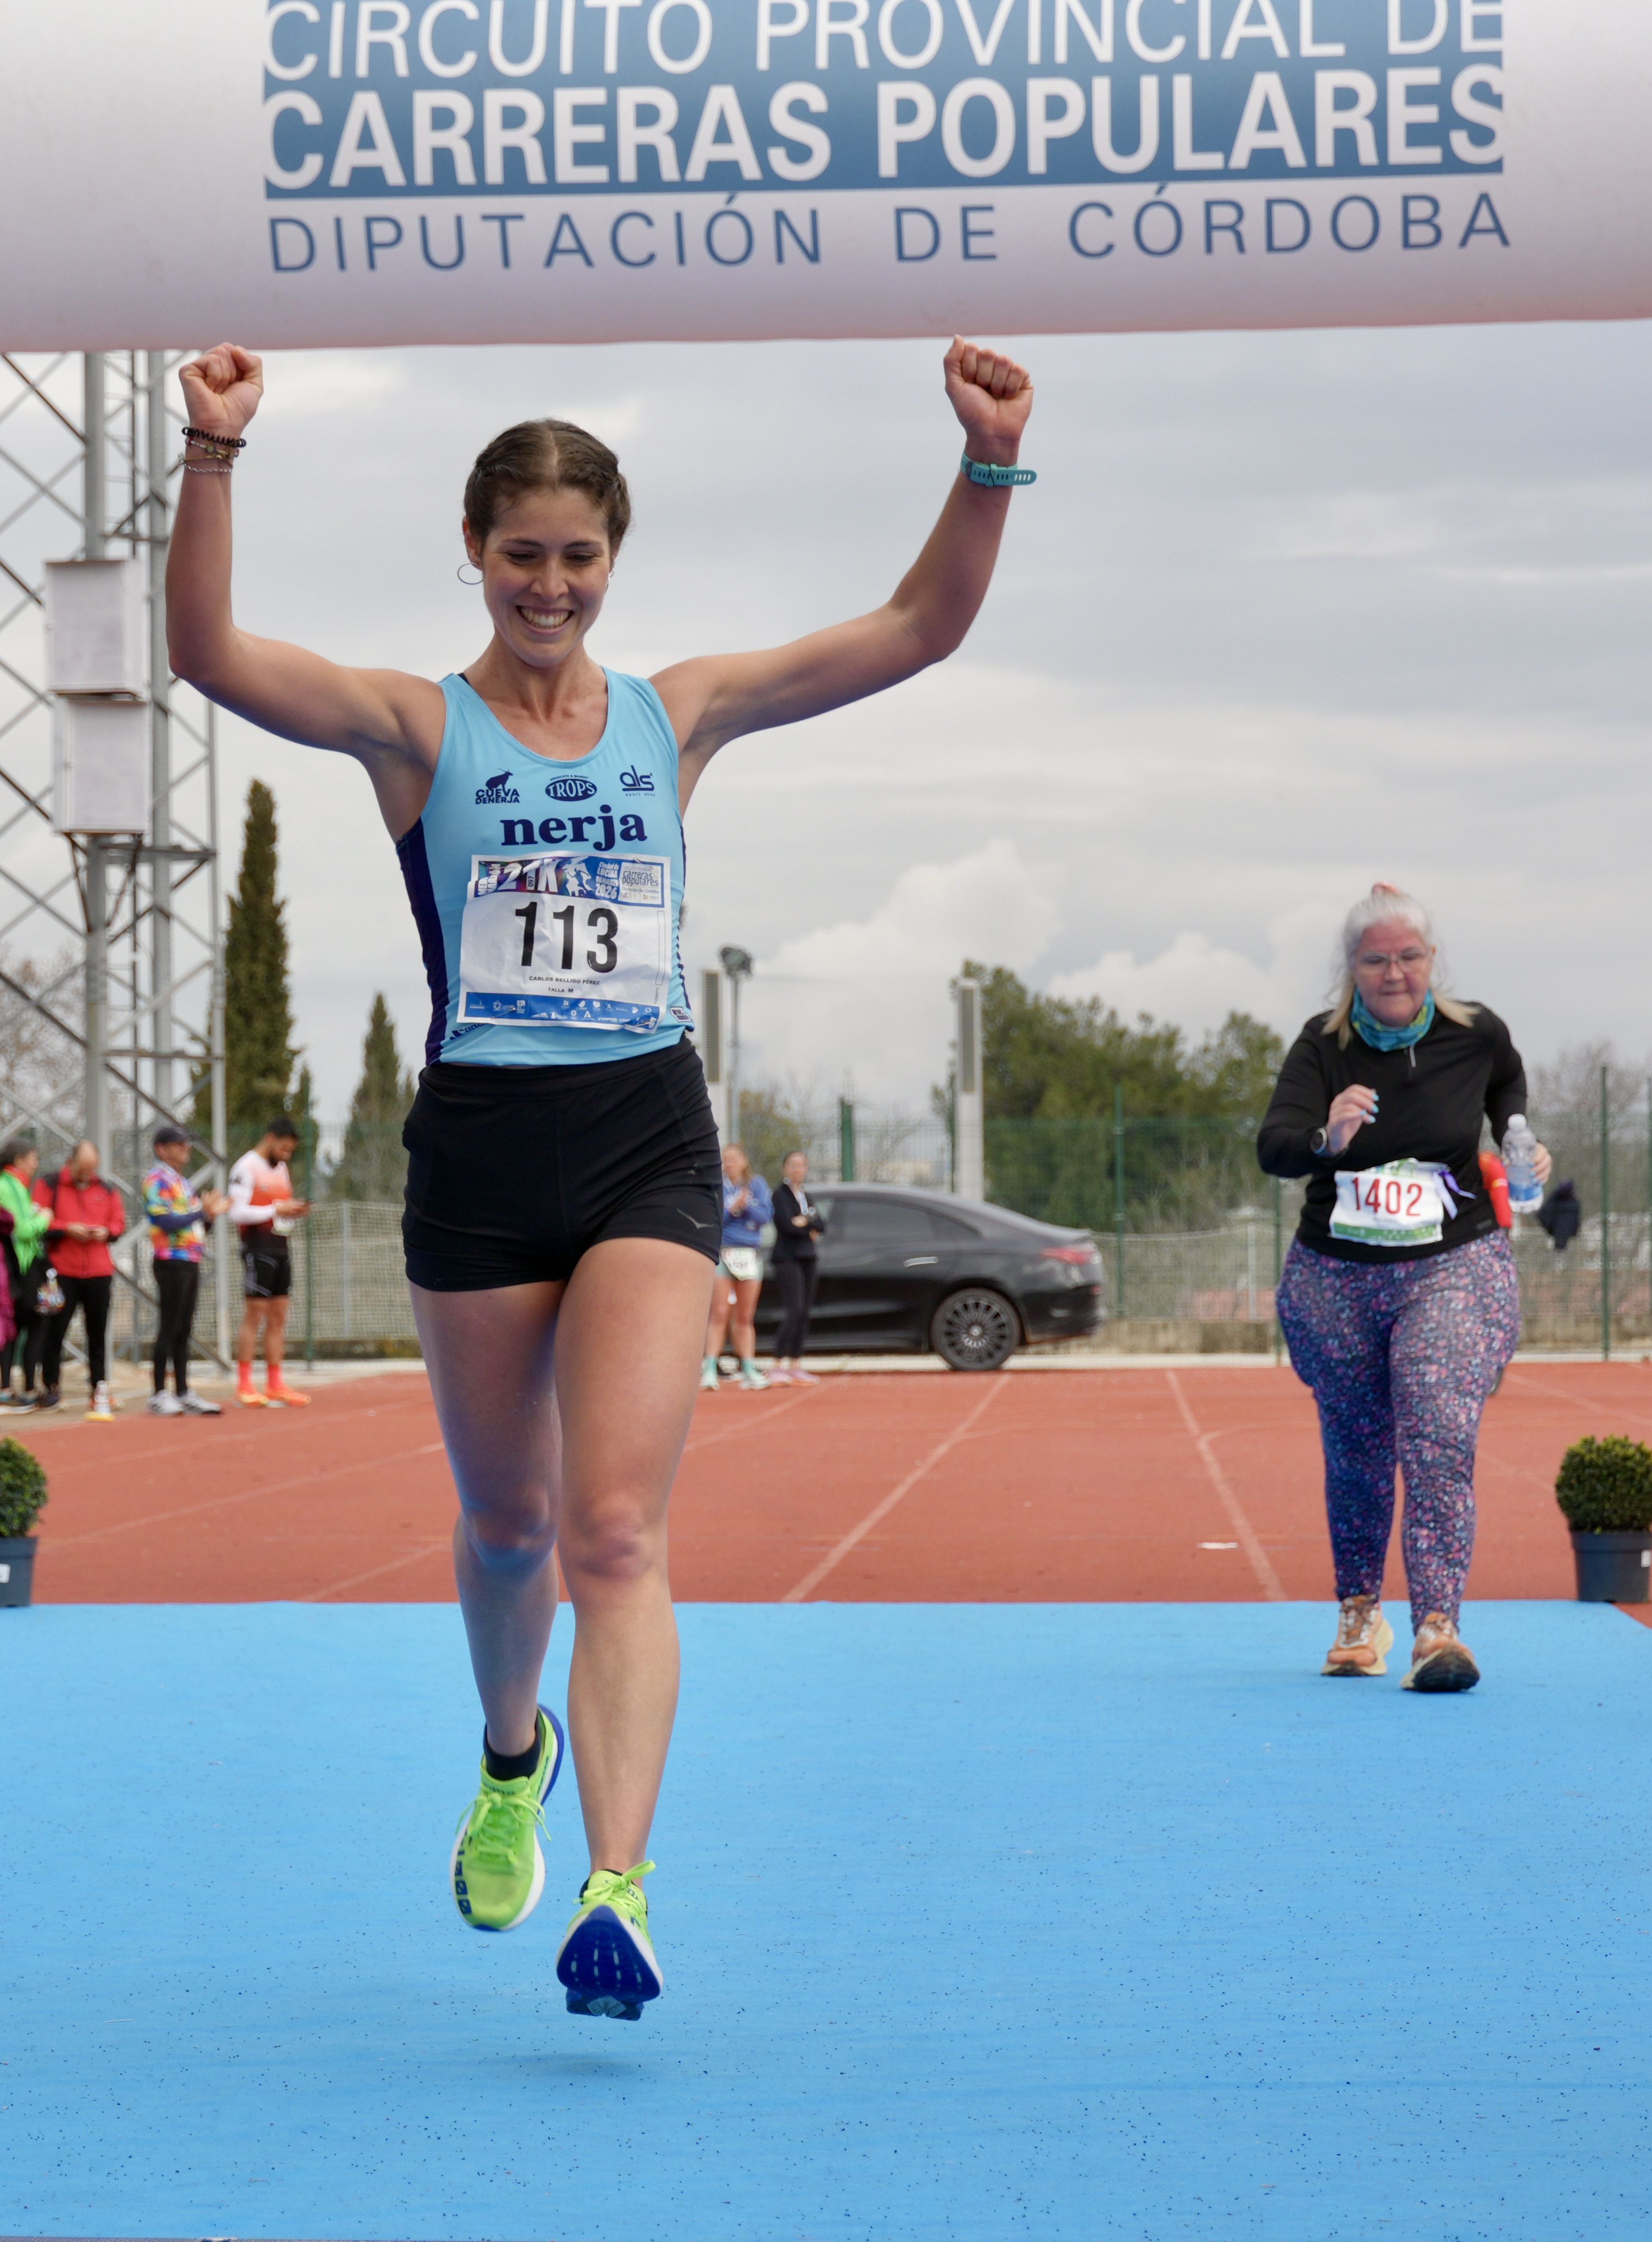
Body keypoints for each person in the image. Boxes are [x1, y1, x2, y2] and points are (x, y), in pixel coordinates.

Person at [168, 333, 1034, 2019]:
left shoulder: (674, 713)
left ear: (612, 562)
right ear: (476, 556)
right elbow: (203, 652)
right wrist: (215, 456)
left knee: (616, 1524)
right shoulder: (417, 728)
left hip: (644, 1126)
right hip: (481, 1148)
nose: (550, 585)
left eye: (578, 556)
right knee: (509, 1526)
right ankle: (512, 1754)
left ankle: (619, 1885)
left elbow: (917, 628)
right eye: (521, 555)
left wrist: (989, 462)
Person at [1255, 884, 1547, 1696]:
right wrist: (1327, 1136)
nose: (1394, 973)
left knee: (1436, 1422)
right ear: (1352, 969)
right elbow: (1273, 1146)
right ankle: (1360, 1611)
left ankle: (1437, 1627)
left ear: (1432, 961)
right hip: (1337, 1275)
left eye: (1409, 957)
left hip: (1451, 1263)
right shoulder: (1322, 1048)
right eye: (1376, 959)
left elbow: (1508, 1084)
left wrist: (1519, 1138)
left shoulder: (1474, 1033)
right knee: (1357, 1449)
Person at [35, 1138, 128, 1420]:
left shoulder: (108, 1188)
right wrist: (66, 1229)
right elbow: (38, 1221)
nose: (87, 1175)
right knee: (54, 1331)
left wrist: (106, 1232)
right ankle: (51, 1386)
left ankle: (99, 1387)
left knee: (97, 1333)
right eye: (83, 1169)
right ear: (71, 1162)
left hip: (99, 1271)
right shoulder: (49, 1185)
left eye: (92, 1170)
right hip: (62, 1270)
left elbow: (119, 1224)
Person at [142, 1120, 223, 1416]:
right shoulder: (157, 1180)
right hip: (170, 1260)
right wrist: (201, 1212)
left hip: (190, 1258)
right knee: (169, 1326)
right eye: (179, 1144)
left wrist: (209, 1215)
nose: (186, 1148)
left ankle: (183, 1391)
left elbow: (196, 1225)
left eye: (187, 1143)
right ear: (161, 1150)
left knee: (184, 1327)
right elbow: (164, 1221)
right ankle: (159, 1393)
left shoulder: (181, 1181)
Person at [226, 1116, 309, 1407]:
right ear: (271, 1139)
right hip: (256, 1248)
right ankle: (245, 1383)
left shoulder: (282, 1169)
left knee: (279, 1316)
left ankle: (276, 1383)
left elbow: (277, 1208)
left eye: (290, 1152)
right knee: (255, 1315)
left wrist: (292, 1212)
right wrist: (277, 1208)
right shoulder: (245, 1167)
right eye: (284, 1149)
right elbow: (237, 1213)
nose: (286, 1156)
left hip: (281, 1247)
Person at [0, 1136, 53, 1409]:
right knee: (32, 1325)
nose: (36, 1164)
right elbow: (22, 1230)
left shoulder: (17, 1186)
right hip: (19, 1268)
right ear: (19, 1160)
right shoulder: (8, 1185)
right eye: (33, 1158)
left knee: (24, 1326)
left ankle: (16, 1387)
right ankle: (22, 1388)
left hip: (23, 1267)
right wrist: (44, 1218)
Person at [704, 1142, 772, 1393]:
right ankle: (710, 1369)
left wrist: (747, 1206)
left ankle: (749, 1369)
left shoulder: (757, 1185)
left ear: (744, 1161)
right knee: (719, 1312)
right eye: (726, 1160)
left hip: (750, 1254)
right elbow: (714, 1217)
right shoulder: (718, 1186)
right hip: (724, 1253)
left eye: (733, 1159)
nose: (729, 1164)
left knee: (744, 1316)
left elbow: (765, 1216)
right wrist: (733, 1209)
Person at [767, 1150, 824, 1384]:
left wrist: (806, 1221)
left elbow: (821, 1224)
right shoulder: (779, 1195)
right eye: (792, 1165)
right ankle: (777, 1364)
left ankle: (796, 1363)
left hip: (808, 1258)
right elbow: (786, 1226)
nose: (797, 1169)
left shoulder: (807, 1196)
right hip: (787, 1258)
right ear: (785, 1169)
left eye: (801, 1165)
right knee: (794, 1308)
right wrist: (806, 1227)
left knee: (804, 1312)